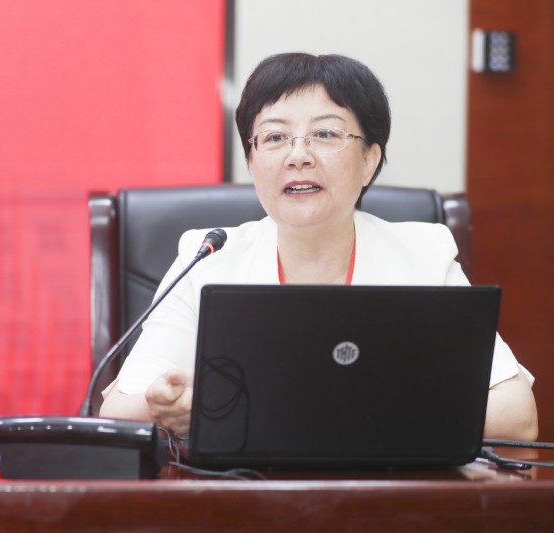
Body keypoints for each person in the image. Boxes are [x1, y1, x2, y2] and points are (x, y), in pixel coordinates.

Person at [99, 53, 538, 441]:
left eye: (325, 134)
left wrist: (287, 409)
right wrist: (172, 408)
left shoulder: (422, 254)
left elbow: (517, 416)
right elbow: (117, 413)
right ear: (251, 160)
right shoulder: (209, 259)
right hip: (246, 490)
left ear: (369, 161)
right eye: (274, 138)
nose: (298, 156)